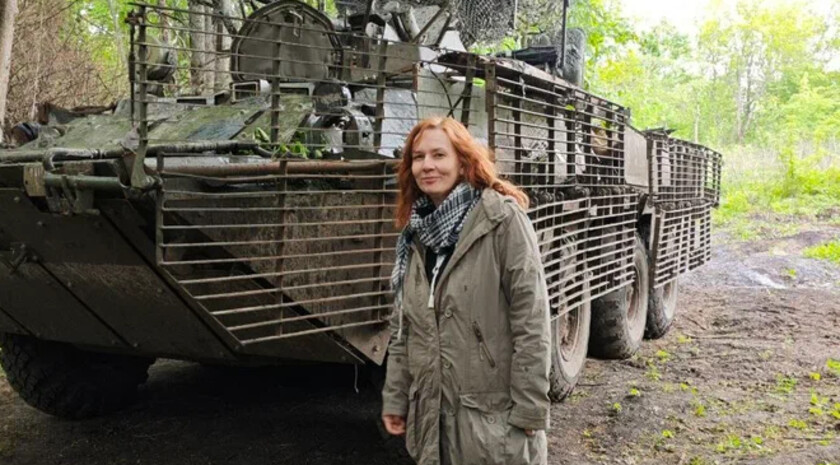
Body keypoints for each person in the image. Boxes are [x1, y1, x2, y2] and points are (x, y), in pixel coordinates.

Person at [381, 117, 551, 465]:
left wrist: (531, 407)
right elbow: (405, 329)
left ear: (463, 162)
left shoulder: (501, 220)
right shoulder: (416, 235)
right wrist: (396, 399)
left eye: (439, 155)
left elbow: (532, 319)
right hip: (433, 419)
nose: (427, 165)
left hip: (491, 421)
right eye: (418, 157)